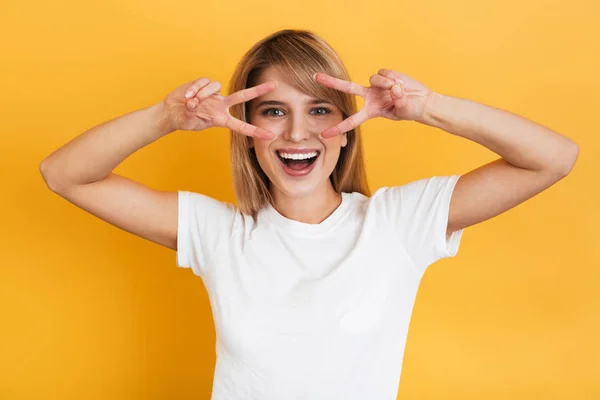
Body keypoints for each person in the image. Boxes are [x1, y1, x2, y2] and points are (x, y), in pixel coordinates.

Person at [39, 29, 579, 399]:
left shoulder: (397, 224)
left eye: (319, 110)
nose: (297, 133)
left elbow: (553, 158)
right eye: (274, 112)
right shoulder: (219, 233)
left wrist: (425, 107)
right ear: (247, 134)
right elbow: (64, 173)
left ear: (347, 129)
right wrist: (165, 117)